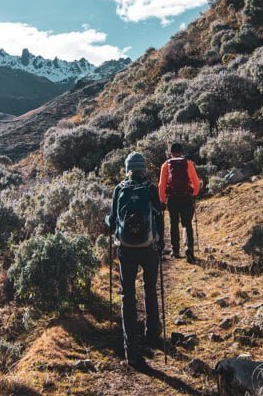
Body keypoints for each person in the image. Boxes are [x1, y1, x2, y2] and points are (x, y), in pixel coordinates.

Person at [106, 151, 164, 368]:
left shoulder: (119, 189)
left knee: (127, 296)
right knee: (150, 288)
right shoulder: (150, 189)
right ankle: (152, 335)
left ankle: (131, 350)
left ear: (127, 167)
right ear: (144, 167)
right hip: (148, 247)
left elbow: (112, 220)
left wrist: (107, 220)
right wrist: (161, 243)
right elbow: (159, 214)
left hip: (126, 250)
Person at [158, 142, 201, 263]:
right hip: (186, 197)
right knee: (187, 223)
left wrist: (162, 200)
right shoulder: (188, 163)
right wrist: (194, 193)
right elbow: (196, 182)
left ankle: (175, 250)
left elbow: (161, 185)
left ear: (170, 153)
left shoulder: (166, 165)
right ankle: (189, 249)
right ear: (182, 152)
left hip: (172, 198)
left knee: (173, 223)